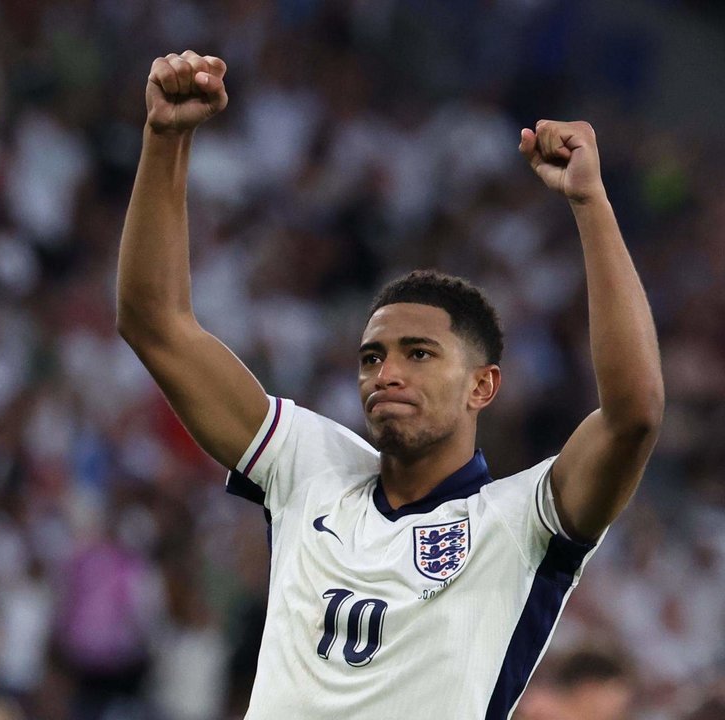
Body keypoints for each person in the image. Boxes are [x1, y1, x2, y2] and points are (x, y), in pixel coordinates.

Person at [117, 50, 663, 719]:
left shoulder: (521, 522)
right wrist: (165, 138)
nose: (387, 373)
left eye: (419, 354)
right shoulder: (311, 466)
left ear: (481, 387)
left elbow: (632, 412)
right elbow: (156, 325)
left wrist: (589, 202)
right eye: (371, 357)